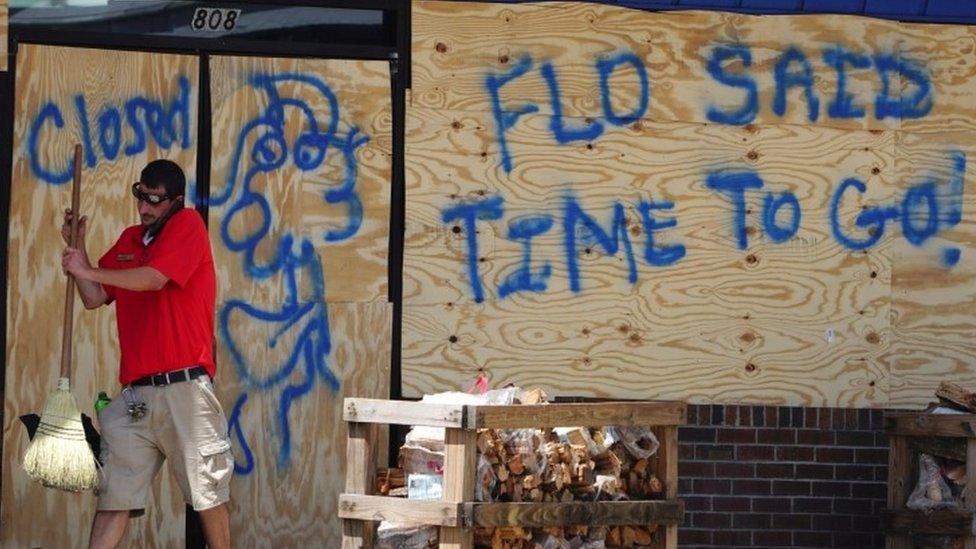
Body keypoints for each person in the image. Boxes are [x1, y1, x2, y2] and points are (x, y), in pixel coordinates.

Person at [61, 159, 231, 549]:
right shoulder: (130, 239)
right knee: (113, 495)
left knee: (208, 494)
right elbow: (94, 298)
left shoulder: (189, 226)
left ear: (176, 200)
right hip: (136, 393)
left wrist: (87, 271)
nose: (145, 208)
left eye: (155, 200)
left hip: (184, 388)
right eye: (141, 197)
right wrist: (77, 249)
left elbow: (153, 279)